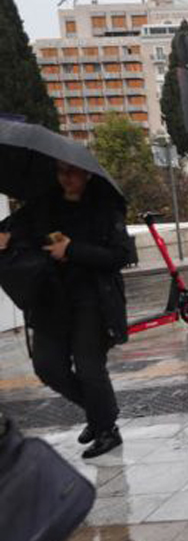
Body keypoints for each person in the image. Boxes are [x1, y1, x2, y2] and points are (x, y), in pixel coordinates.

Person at [0, 161, 133, 459]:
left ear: (87, 173)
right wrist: (6, 237)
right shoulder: (44, 204)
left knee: (89, 368)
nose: (66, 178)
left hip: (93, 300)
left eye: (72, 171)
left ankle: (106, 430)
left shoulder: (106, 207)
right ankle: (100, 412)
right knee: (48, 367)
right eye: (61, 172)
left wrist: (71, 250)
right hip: (51, 300)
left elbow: (121, 255)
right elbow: (14, 228)